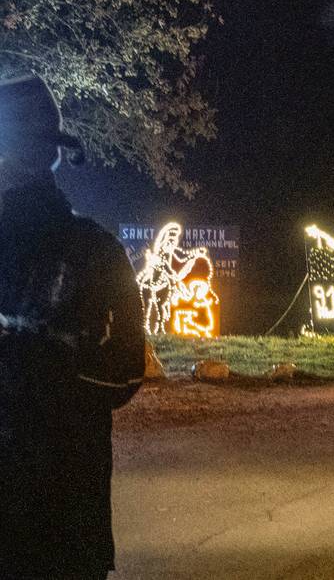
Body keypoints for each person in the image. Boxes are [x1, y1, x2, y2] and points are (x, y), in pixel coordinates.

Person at [0, 74, 145, 579]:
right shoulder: (98, 249)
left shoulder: (92, 250)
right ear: (56, 155)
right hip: (71, 522)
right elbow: (125, 375)